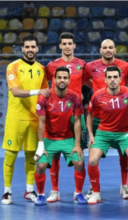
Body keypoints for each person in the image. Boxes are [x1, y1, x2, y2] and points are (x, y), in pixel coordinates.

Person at [83, 39, 128, 200]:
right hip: (98, 116)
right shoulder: (91, 66)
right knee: (93, 154)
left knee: (124, 153)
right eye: (105, 47)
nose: (108, 50)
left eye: (110, 47)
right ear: (100, 50)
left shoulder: (125, 66)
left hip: (118, 116)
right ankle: (93, 187)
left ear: (115, 49)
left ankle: (124, 186)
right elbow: (85, 80)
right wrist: (97, 90)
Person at [2, 34, 49, 205]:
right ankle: (7, 192)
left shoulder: (42, 69)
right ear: (22, 49)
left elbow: (46, 94)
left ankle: (29, 191)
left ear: (37, 49)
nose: (30, 50)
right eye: (27, 47)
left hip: (34, 119)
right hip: (15, 118)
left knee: (31, 155)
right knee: (11, 154)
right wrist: (37, 92)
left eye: (33, 47)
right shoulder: (13, 67)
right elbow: (15, 91)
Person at [86, 66, 128, 204]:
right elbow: (89, 114)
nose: (112, 80)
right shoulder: (97, 95)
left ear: (120, 79)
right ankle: (96, 193)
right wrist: (91, 135)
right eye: (109, 77)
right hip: (103, 133)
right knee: (92, 160)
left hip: (125, 133)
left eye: (115, 77)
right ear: (105, 79)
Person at [44, 32, 88, 203]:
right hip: (56, 113)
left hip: (76, 114)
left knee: (79, 152)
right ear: (60, 46)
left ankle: (79, 192)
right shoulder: (51, 65)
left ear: (74, 46)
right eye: (64, 43)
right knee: (54, 153)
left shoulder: (82, 64)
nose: (68, 46)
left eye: (70, 43)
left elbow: (92, 83)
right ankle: (54, 190)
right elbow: (44, 85)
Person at [34, 66, 86, 206]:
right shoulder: (44, 97)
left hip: (68, 139)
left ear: (69, 80)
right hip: (48, 139)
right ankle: (40, 195)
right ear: (54, 80)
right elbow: (41, 123)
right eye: (59, 77)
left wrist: (77, 145)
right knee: (41, 165)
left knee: (79, 163)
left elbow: (77, 122)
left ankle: (78, 193)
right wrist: (40, 146)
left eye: (65, 78)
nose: (62, 80)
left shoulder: (74, 97)